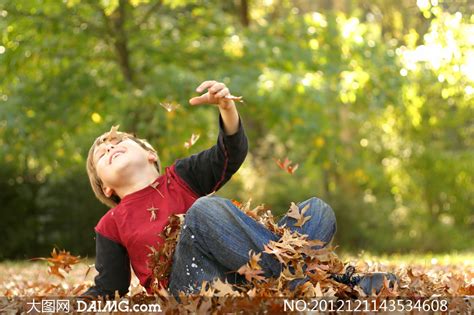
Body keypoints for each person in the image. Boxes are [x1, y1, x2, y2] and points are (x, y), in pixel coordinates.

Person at [80, 80, 396, 300]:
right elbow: (110, 289)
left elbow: (229, 154)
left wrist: (227, 110)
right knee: (203, 209)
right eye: (101, 154)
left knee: (317, 210)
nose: (110, 147)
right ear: (106, 186)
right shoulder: (112, 223)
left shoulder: (181, 177)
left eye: (118, 141)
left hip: (245, 276)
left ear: (149, 154)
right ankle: (315, 284)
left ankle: (294, 285)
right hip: (195, 289)